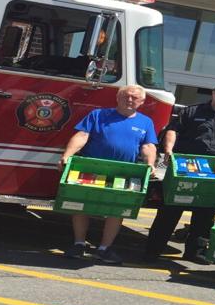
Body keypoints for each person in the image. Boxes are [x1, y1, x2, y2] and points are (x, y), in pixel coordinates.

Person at [144, 82, 215, 264]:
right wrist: (169, 150)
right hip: (188, 165)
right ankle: (153, 250)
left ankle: (196, 252)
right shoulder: (191, 112)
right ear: (213, 93)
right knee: (171, 207)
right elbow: (173, 130)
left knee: (206, 211)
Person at [57, 85, 158, 265]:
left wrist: (150, 164)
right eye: (126, 96)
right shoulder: (98, 115)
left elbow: (148, 146)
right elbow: (81, 136)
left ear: (141, 102)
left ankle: (104, 249)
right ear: (117, 98)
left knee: (116, 210)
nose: (130, 100)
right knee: (82, 205)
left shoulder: (146, 122)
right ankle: (79, 244)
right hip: (91, 167)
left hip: (124, 172)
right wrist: (67, 156)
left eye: (135, 98)